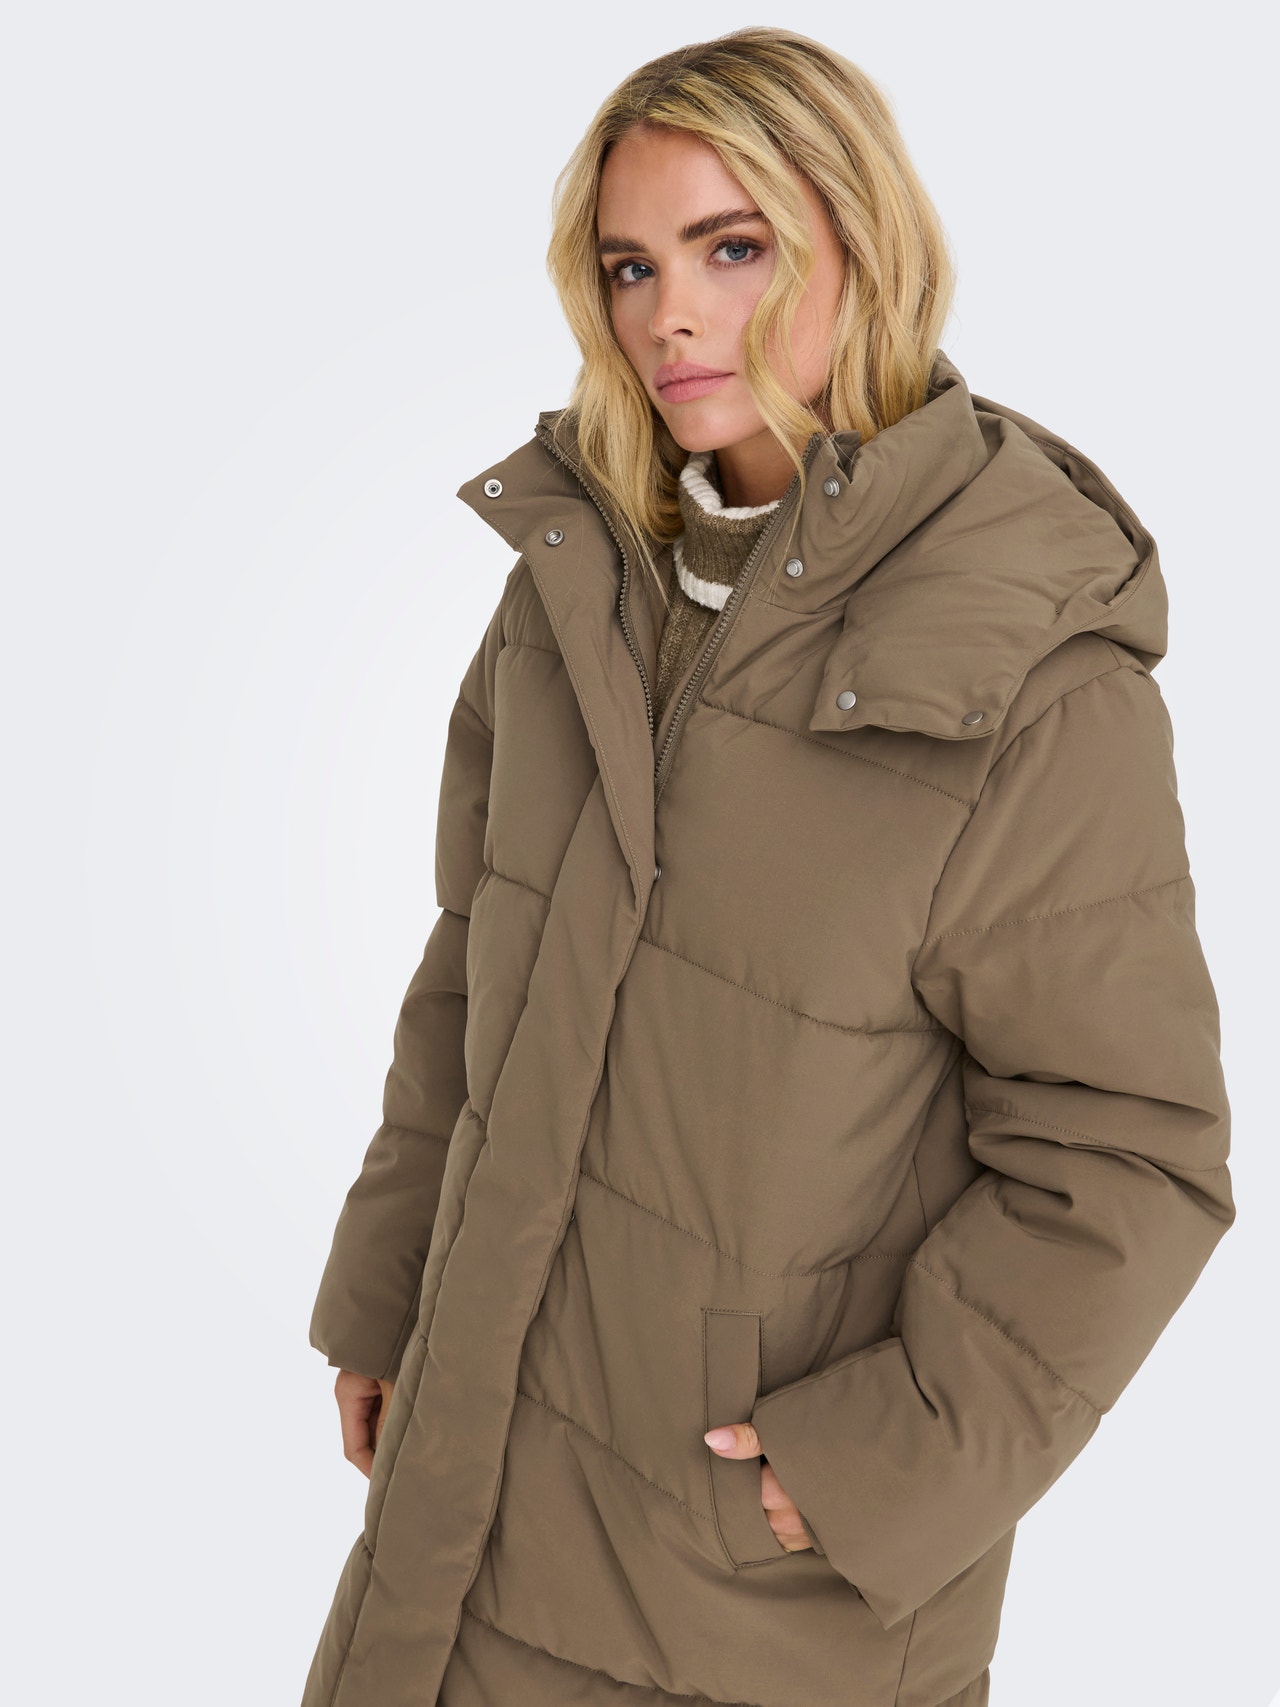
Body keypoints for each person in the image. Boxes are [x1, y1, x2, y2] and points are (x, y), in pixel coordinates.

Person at [300, 28, 1235, 1707]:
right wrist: (388, 1292)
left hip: (753, 1587)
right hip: (469, 1499)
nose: (670, 314)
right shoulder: (577, 586)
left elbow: (1127, 1151)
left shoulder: (1026, 668)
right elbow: (473, 962)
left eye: (732, 249)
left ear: (864, 244)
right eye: (631, 265)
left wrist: (882, 1461)